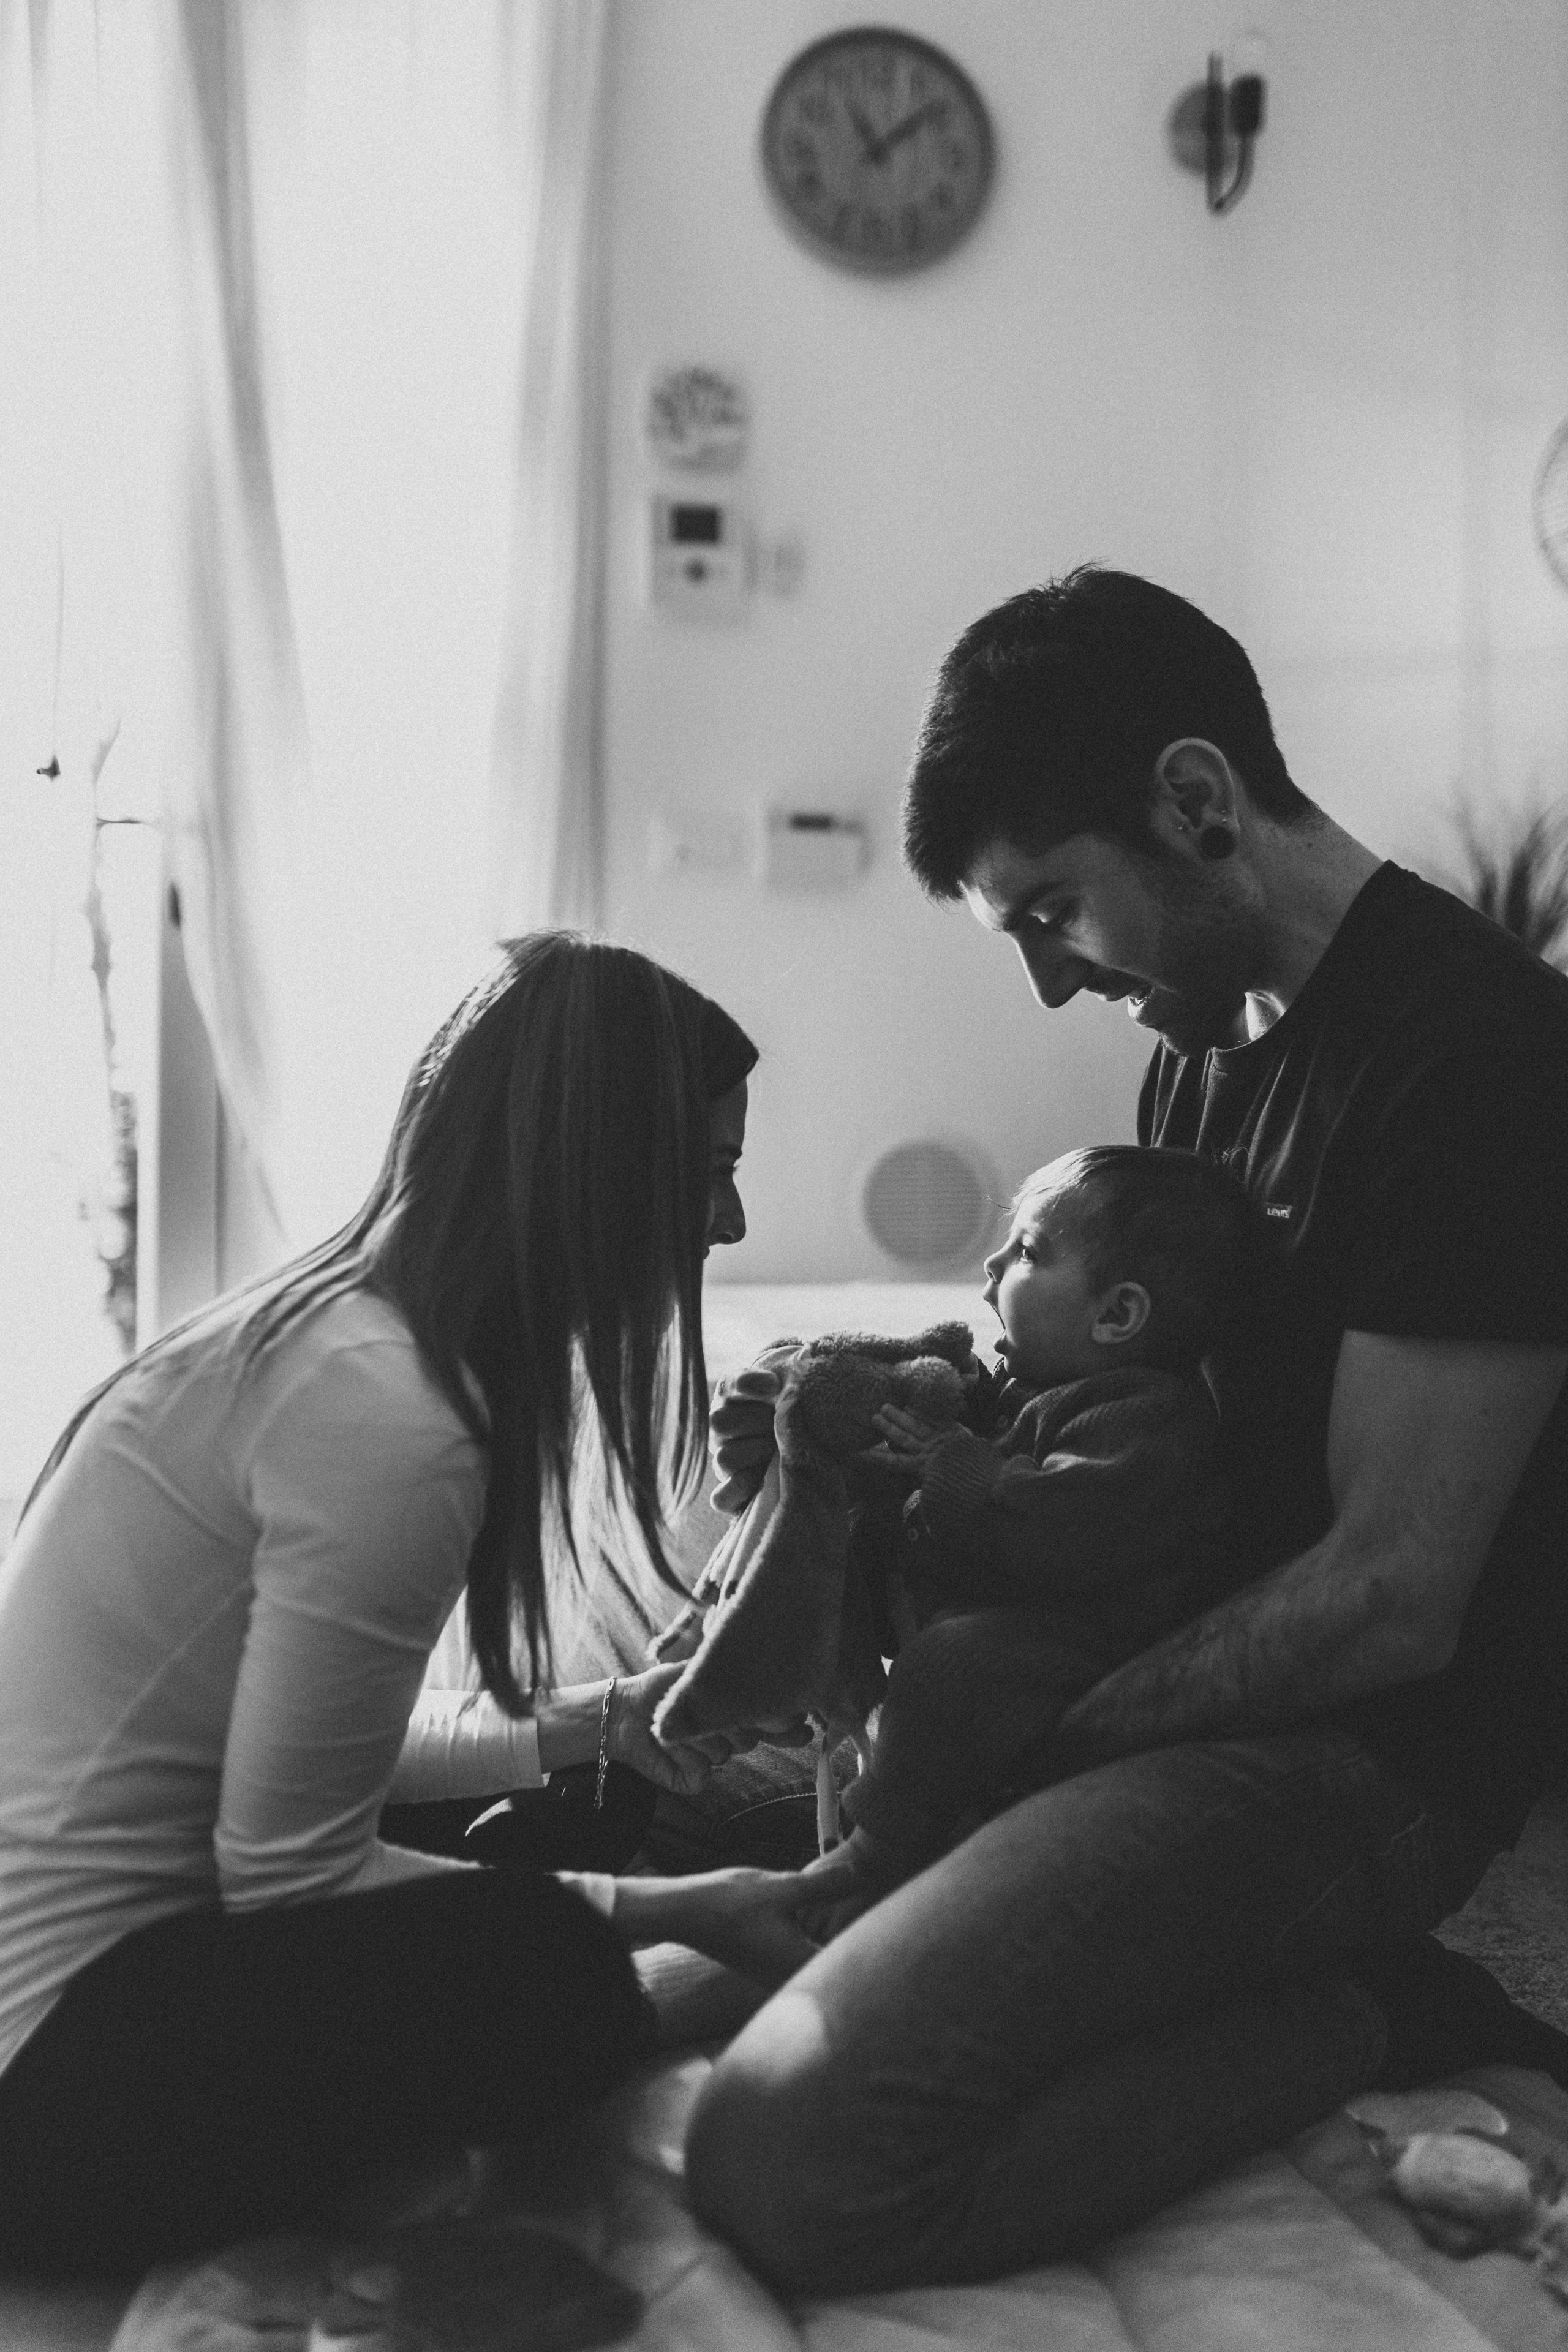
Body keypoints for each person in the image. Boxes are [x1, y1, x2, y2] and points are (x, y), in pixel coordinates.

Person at [684, 566, 1568, 2294]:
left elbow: (1394, 1598)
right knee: (745, 1889)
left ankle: (1362, 2004)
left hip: (1360, 1764)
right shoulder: (1203, 1054)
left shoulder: (1485, 1063)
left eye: (1053, 916)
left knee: (793, 2153)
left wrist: (1037, 1751)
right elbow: (1136, 1393)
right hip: (1167, 1669)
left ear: (1196, 798)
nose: (1050, 989)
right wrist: (897, 1402)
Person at [0, 931, 817, 2282]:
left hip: (101, 1988)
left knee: (550, 1824)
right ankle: (702, 1958)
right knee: (551, 1965)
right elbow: (293, 1873)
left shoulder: (335, 1339)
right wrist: (672, 1911)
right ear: (600, 1176)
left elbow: (316, 1768)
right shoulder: (391, 1415)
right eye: (711, 1174)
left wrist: (597, 1721)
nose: (726, 1227)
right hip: (46, 2096)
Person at [836, 1144, 1255, 1882]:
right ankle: (807, 1685)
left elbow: (1057, 1526)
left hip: (1084, 1645)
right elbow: (991, 1447)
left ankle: (876, 1854)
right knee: (848, 1537)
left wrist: (951, 1461)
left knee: (956, 1661)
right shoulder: (1031, 1384)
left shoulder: (1149, 1415)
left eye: (1027, 1250)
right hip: (997, 1603)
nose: (993, 1265)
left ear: (1117, 1313)